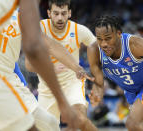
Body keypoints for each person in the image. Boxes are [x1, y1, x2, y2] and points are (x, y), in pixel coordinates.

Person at [0, 0, 81, 130]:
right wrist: (62, 102)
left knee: (48, 123)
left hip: (8, 78)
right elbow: (35, 48)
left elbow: (49, 44)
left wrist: (76, 66)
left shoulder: (18, 14)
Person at [87, 15, 143, 131]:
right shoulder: (94, 50)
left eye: (108, 38)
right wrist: (97, 93)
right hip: (130, 91)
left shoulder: (134, 44)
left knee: (133, 124)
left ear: (119, 34)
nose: (104, 44)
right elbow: (99, 82)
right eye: (99, 39)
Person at [25, 0, 98, 130]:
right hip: (47, 90)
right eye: (56, 13)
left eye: (64, 13)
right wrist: (50, 69)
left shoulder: (78, 30)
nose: (60, 18)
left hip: (72, 84)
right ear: (49, 13)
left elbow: (98, 48)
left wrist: (98, 78)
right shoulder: (39, 28)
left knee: (80, 119)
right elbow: (29, 65)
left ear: (69, 13)